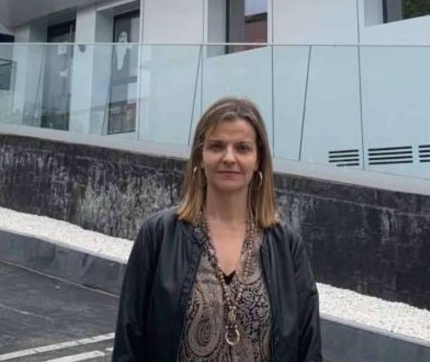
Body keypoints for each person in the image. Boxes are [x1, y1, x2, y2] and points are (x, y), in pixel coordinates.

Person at [112, 97, 322, 361]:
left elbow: (308, 346)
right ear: (201, 155)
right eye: (217, 146)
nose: (229, 157)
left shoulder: (286, 245)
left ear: (258, 160)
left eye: (243, 148)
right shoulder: (159, 236)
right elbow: (129, 341)